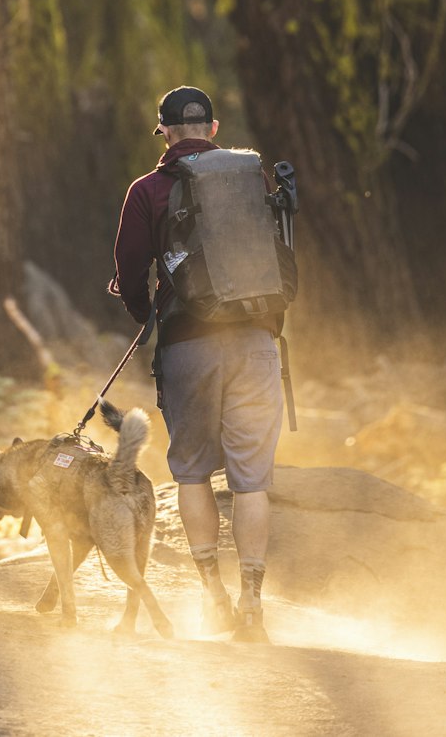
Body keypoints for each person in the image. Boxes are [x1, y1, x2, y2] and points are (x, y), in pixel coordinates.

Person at [109, 86, 283, 642]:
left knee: (191, 471)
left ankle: (214, 598)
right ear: (211, 128)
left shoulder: (148, 190)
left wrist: (145, 315)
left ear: (164, 131)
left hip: (187, 344)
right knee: (252, 481)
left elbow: (132, 268)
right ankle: (252, 602)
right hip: (257, 339)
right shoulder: (249, 177)